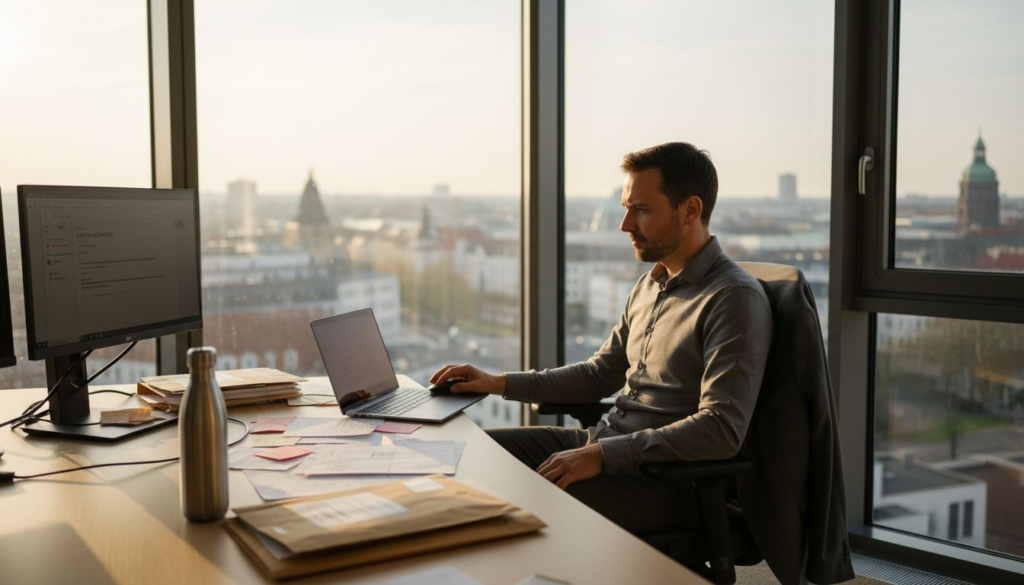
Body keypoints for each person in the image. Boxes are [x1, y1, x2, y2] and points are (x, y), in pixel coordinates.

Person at [431, 142, 772, 535]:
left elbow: (720, 429)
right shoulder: (652, 282)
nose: (625, 224)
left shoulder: (733, 299)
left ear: (690, 211)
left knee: (513, 502)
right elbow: (598, 375)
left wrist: (603, 455)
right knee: (471, 457)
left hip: (668, 482)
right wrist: (497, 382)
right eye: (627, 207)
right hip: (604, 446)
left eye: (641, 210)